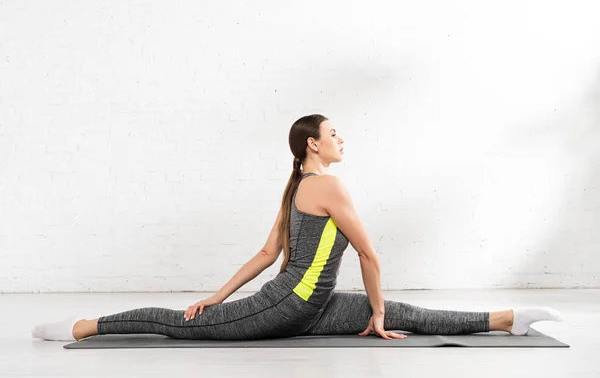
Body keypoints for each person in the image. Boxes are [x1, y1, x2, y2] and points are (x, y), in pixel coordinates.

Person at [31, 114, 564, 342]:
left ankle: (507, 319)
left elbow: (265, 254)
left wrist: (217, 293)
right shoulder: (324, 187)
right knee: (178, 323)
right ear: (313, 144)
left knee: (409, 313)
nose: (341, 139)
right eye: (334, 133)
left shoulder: (300, 186)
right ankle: (81, 327)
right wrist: (374, 313)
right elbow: (367, 256)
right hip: (284, 306)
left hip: (309, 306)